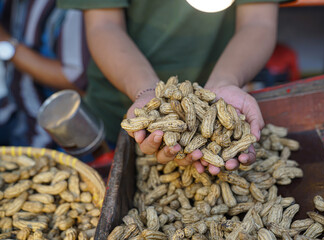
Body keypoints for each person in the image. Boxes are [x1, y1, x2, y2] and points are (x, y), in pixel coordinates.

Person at [58, 0, 290, 174]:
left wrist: (225, 81)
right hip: (117, 107)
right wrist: (147, 92)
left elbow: (258, 21)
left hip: (214, 91)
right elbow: (104, 26)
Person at [0, 0, 89, 147]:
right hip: (13, 109)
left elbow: (76, 80)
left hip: (55, 130)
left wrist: (7, 44)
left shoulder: (73, 9)